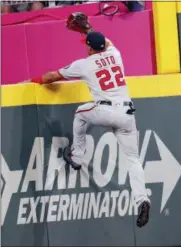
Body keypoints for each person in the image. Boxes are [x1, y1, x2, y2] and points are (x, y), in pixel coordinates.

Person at [31, 29, 150, 228]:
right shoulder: (115, 54)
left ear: (89, 47)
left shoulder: (84, 64)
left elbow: (51, 77)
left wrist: (32, 82)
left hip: (107, 111)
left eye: (86, 43)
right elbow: (108, 42)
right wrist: (87, 29)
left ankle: (77, 156)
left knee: (80, 113)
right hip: (128, 114)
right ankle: (142, 200)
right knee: (133, 160)